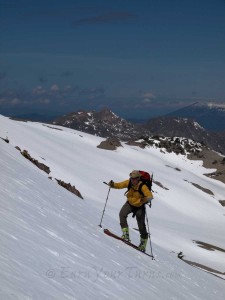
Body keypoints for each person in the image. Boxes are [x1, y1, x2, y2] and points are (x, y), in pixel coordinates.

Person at [108, 170, 153, 252]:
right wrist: (112, 184)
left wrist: (144, 200)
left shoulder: (142, 186)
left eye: (134, 178)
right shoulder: (129, 182)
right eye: (131, 178)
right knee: (122, 214)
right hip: (130, 203)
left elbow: (150, 196)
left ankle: (143, 243)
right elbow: (119, 185)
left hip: (139, 206)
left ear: (138, 178)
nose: (132, 180)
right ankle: (126, 235)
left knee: (141, 225)